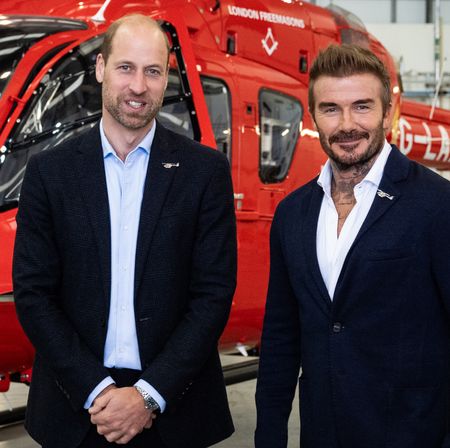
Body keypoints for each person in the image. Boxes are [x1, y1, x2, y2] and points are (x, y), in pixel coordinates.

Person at [13, 14, 237, 448]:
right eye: (125, 68)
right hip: (76, 412)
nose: (138, 86)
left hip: (174, 412)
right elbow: (33, 293)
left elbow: (212, 296)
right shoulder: (49, 173)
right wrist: (97, 391)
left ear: (167, 77)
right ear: (100, 68)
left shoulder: (204, 172)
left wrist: (148, 396)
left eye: (153, 71)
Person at [255, 43, 450, 448]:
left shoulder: (435, 204)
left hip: (414, 435)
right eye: (331, 109)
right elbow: (280, 338)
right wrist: (269, 436)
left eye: (362, 106)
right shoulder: (293, 214)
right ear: (313, 117)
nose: (347, 125)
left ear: (387, 113)